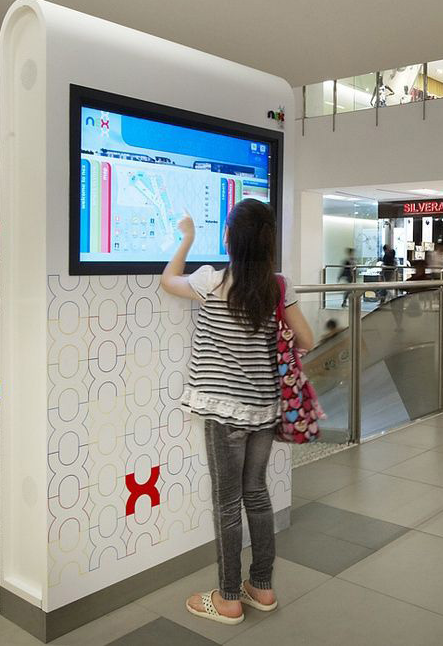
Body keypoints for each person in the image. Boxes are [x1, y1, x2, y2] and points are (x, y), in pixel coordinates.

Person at [160, 198, 314, 625]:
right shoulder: (278, 287)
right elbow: (307, 340)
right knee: (257, 494)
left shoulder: (212, 281)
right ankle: (261, 586)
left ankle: (228, 598)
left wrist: (187, 238)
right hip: (263, 409)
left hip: (222, 410)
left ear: (229, 238)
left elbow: (168, 280)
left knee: (227, 503)